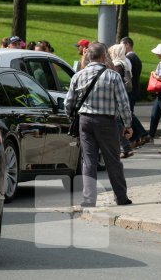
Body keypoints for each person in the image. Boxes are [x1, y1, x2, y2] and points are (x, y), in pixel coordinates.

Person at [65, 42, 132, 208]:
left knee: (88, 160)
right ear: (103, 56)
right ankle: (121, 197)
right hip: (107, 122)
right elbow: (123, 103)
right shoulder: (113, 76)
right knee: (112, 160)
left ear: (88, 56)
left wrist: (71, 116)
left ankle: (89, 199)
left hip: (85, 121)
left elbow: (68, 103)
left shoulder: (78, 76)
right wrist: (128, 124)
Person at [121, 37, 149, 147]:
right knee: (129, 114)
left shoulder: (128, 59)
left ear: (128, 45)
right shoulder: (136, 57)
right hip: (135, 89)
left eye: (122, 45)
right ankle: (136, 138)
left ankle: (140, 134)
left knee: (129, 115)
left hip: (130, 91)